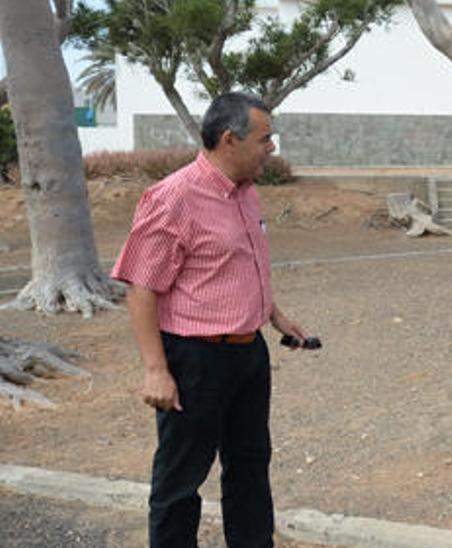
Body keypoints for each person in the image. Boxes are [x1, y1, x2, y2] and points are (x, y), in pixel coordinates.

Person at [114, 92, 309, 547]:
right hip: (195, 359)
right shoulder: (173, 197)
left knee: (249, 465)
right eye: (265, 138)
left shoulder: (247, 192)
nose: (272, 148)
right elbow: (141, 285)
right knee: (181, 481)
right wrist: (156, 370)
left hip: (249, 355)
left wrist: (275, 316)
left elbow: (242, 264)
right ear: (229, 140)